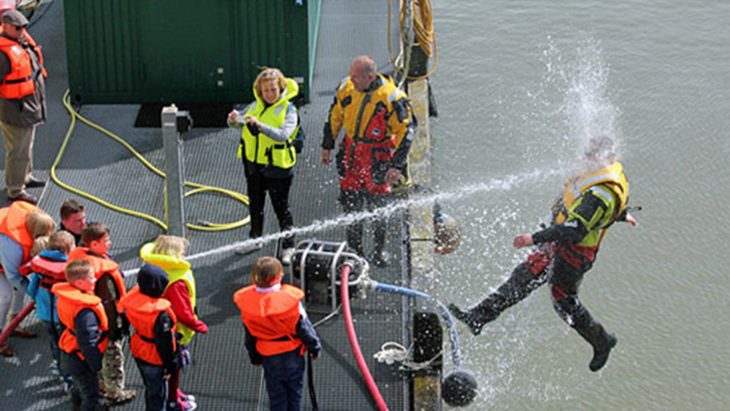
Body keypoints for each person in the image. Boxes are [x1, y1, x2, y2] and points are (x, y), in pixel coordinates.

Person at [448, 136, 637, 372]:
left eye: (590, 155)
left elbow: (576, 230)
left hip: (574, 253)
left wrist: (533, 238)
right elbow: (602, 207)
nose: (584, 158)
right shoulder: (600, 174)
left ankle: (602, 341)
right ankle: (478, 317)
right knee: (525, 275)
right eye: (585, 153)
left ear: (605, 158)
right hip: (558, 242)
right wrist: (622, 214)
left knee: (563, 301)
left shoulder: (600, 194)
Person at [320, 55, 414, 266]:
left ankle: (379, 250)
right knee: (351, 204)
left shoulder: (392, 98)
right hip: (352, 152)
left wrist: (396, 165)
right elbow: (334, 115)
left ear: (370, 77)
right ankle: (355, 250)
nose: (350, 80)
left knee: (378, 207)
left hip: (378, 155)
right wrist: (327, 144)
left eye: (355, 77)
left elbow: (406, 132)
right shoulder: (346, 88)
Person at [227, 68, 304, 265]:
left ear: (281, 89)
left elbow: (283, 134)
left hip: (278, 167)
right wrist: (234, 120)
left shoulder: (288, 110)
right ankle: (255, 239)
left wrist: (260, 126)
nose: (269, 94)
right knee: (256, 204)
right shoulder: (254, 105)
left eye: (273, 90)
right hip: (253, 164)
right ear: (259, 91)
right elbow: (241, 123)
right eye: (266, 90)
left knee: (281, 207)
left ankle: (288, 245)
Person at [233, 256, 321, 411]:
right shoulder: (291, 302)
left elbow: (250, 337)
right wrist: (314, 349)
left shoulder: (248, 306)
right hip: (292, 354)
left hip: (268, 356)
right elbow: (305, 330)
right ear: (278, 277)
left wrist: (255, 358)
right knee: (294, 393)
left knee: (276, 396)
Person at [68, 222, 135, 404]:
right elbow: (110, 304)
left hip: (87, 325)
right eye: (106, 241)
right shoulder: (103, 275)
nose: (110, 243)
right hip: (105, 325)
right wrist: (117, 327)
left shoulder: (79, 262)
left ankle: (89, 388)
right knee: (113, 358)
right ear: (94, 245)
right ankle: (114, 392)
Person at [140, 235, 207, 410]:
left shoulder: (151, 269)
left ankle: (174, 393)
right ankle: (173, 401)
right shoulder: (177, 281)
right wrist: (199, 325)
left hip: (151, 331)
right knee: (173, 368)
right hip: (175, 332)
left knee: (165, 370)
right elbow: (183, 312)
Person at [118, 264, 184, 411]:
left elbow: (123, 322)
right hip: (155, 356)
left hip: (139, 348)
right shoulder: (161, 314)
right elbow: (165, 345)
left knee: (150, 386)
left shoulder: (131, 301)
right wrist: (171, 366)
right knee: (158, 394)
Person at [0, 9, 47, 204]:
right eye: (18, 28)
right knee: (17, 150)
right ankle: (15, 189)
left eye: (24, 27)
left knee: (27, 145)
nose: (22, 31)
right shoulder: (3, 55)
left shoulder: (21, 44)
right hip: (14, 110)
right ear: (6, 27)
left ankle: (25, 177)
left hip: (28, 107)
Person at [52, 259, 108, 410]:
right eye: (91, 277)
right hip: (81, 358)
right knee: (91, 396)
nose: (95, 279)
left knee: (78, 386)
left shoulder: (66, 299)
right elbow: (87, 342)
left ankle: (75, 405)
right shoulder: (85, 311)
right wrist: (95, 364)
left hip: (69, 351)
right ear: (79, 283)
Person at [0, 201, 54, 356]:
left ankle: (14, 323)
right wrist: (36, 295)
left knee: (20, 285)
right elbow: (13, 276)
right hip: (4, 255)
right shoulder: (13, 246)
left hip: (4, 256)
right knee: (6, 294)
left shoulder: (35, 218)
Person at [25, 230, 76, 391]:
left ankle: (64, 374)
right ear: (68, 249)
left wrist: (40, 303)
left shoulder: (41, 270)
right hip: (64, 318)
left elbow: (32, 290)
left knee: (55, 344)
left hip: (46, 316)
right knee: (69, 347)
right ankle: (71, 379)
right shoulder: (69, 270)